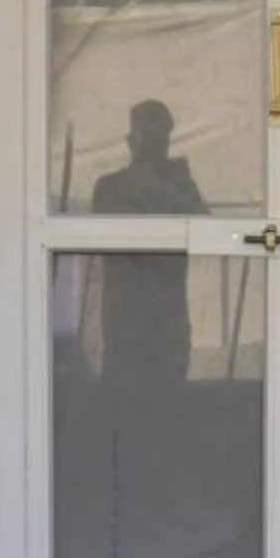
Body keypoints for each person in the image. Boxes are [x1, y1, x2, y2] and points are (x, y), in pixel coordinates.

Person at [91, 100, 204, 387]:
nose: (158, 145)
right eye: (151, 136)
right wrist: (161, 183)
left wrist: (177, 185)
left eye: (162, 137)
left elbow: (204, 230)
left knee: (168, 393)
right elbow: (114, 228)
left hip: (168, 320)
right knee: (124, 394)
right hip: (126, 317)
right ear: (132, 141)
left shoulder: (180, 186)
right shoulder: (110, 186)